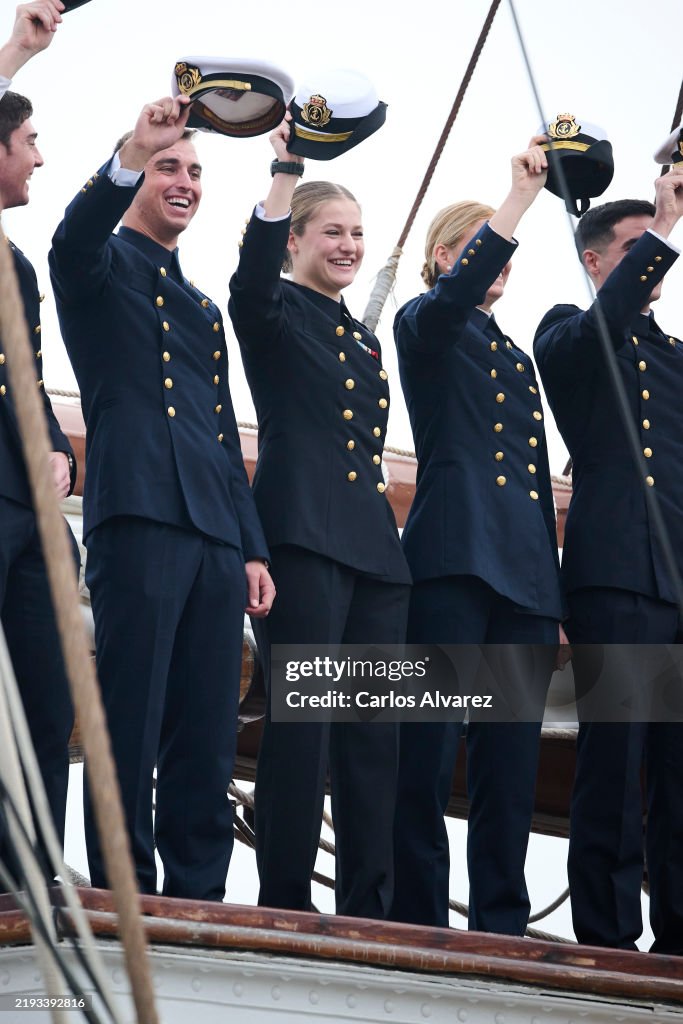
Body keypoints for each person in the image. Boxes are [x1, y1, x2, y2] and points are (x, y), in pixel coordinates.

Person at [49, 94, 275, 900]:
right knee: (129, 720)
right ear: (136, 174)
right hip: (139, 517)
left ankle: (198, 896)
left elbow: (220, 431)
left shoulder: (202, 308)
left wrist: (250, 546)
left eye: (193, 170)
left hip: (214, 536)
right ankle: (126, 893)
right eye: (167, 167)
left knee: (207, 730)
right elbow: (69, 241)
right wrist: (132, 148)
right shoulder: (98, 268)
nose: (183, 180)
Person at [228, 116, 411, 918]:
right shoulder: (271, 311)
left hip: (375, 553)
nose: (348, 245)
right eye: (331, 231)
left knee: (374, 738)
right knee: (303, 729)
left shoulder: (361, 341)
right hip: (301, 537)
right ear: (296, 237)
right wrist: (285, 171)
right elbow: (248, 279)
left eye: (358, 234)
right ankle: (286, 902)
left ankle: (370, 908)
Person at [391, 139, 564, 934]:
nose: (494, 262)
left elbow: (532, 479)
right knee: (424, 755)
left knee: (509, 764)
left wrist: (548, 588)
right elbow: (449, 299)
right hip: (453, 563)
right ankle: (418, 914)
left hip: (524, 580)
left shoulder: (516, 357)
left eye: (498, 252)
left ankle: (500, 921)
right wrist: (517, 202)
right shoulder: (425, 324)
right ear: (440, 259)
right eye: (474, 248)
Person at [534, 174, 683, 954]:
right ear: (596, 261)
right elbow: (602, 329)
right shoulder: (569, 333)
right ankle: (606, 934)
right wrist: (663, 221)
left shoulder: (675, 358)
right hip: (616, 574)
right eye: (635, 250)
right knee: (614, 764)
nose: (655, 261)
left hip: (676, 584)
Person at [0, 0, 77, 874]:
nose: (41, 157)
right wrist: (18, 50)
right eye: (27, 142)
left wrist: (56, 443)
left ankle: (30, 875)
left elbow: (27, 380)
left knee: (46, 700)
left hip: (29, 511)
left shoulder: (16, 267)